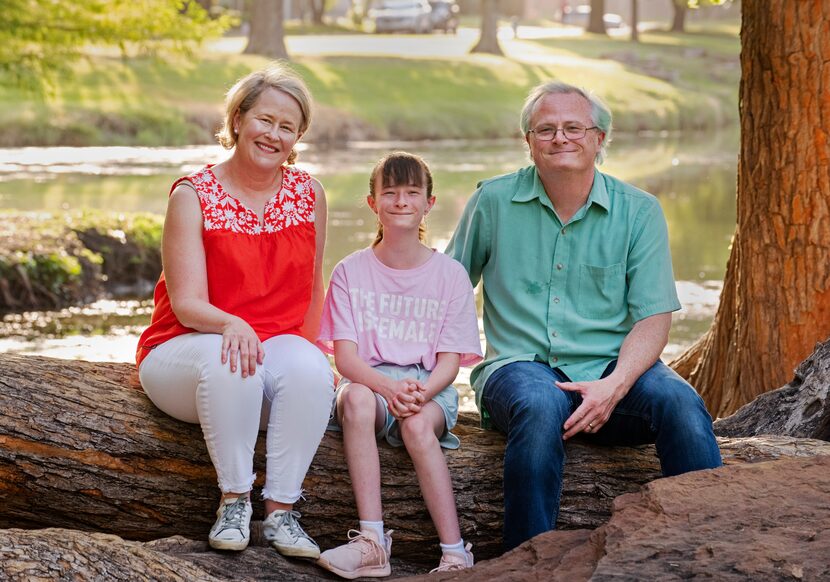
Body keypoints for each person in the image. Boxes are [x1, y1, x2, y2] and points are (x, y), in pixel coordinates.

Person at [446, 81, 723, 551]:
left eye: (574, 127)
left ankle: (710, 548)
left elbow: (653, 318)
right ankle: (527, 562)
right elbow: (445, 290)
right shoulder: (492, 202)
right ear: (528, 142)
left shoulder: (639, 211)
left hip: (616, 372)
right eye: (546, 129)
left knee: (680, 403)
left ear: (599, 138)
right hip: (519, 369)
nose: (560, 138)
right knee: (538, 405)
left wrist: (614, 387)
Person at [135, 64, 333, 557]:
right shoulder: (193, 194)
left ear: (298, 136)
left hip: (270, 350)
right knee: (234, 363)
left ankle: (282, 514)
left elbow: (313, 290)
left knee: (310, 370)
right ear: (239, 119)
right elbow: (186, 303)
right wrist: (232, 323)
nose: (274, 134)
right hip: (184, 349)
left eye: (287, 127)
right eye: (265, 120)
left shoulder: (310, 195)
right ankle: (234, 500)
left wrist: (304, 373)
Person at [316, 152, 482, 578]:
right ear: (373, 203)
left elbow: (449, 364)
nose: (401, 201)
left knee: (416, 425)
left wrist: (421, 393)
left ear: (429, 202)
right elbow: (347, 359)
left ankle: (455, 553)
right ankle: (372, 542)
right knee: (352, 399)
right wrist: (387, 390)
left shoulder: (450, 275)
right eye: (390, 193)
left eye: (412, 193)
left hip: (428, 387)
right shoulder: (350, 271)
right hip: (370, 385)